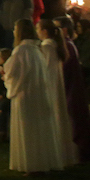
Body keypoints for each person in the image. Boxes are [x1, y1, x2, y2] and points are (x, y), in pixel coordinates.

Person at [4, 18, 61, 173]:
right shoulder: (36, 50)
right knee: (39, 129)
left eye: (16, 29)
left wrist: (5, 74)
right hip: (38, 95)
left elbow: (13, 72)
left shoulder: (21, 51)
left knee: (28, 130)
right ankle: (42, 161)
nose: (14, 31)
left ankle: (30, 164)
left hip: (25, 96)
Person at [53, 17, 90, 163]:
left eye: (57, 28)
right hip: (70, 87)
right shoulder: (66, 45)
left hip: (71, 88)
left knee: (74, 121)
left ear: (64, 30)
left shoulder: (67, 46)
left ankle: (80, 154)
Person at [37, 20, 76, 168]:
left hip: (49, 86)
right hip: (56, 85)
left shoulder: (46, 47)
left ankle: (55, 153)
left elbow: (44, 68)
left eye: (38, 28)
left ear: (44, 31)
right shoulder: (55, 46)